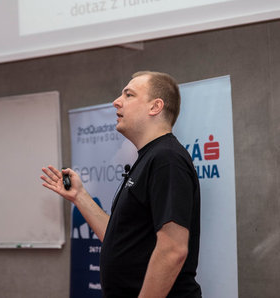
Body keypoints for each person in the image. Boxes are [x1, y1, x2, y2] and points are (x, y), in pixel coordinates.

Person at [41, 71, 202, 297]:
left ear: (155, 107)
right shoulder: (149, 158)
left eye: (129, 94)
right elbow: (118, 237)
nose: (116, 101)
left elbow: (173, 249)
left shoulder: (167, 159)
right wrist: (79, 196)